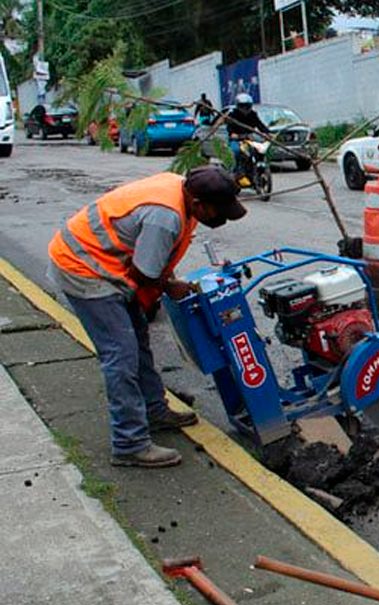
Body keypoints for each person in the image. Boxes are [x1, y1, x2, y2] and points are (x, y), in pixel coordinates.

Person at [46, 166, 248, 468]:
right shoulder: (164, 216)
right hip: (85, 270)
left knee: (138, 339)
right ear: (197, 204)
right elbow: (145, 272)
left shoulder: (182, 190)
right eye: (217, 211)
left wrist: (167, 280)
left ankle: (154, 410)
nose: (220, 218)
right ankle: (129, 443)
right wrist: (170, 286)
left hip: (109, 266)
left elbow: (155, 257)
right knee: (121, 354)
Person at [226, 93, 271, 182]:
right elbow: (230, 129)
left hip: (249, 139)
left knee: (259, 150)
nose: (245, 109)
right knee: (236, 151)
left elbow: (260, 125)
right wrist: (233, 134)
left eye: (247, 106)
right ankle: (235, 172)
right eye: (242, 106)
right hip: (237, 139)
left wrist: (267, 133)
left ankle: (258, 169)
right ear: (238, 106)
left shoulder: (253, 114)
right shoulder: (232, 115)